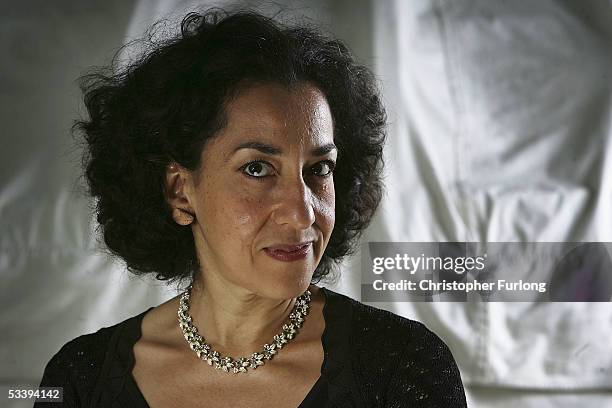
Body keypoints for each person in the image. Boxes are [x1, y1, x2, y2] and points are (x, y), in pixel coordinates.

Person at [36, 9, 467, 407]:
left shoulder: (402, 368)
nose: (302, 214)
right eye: (257, 169)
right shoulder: (78, 380)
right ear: (179, 191)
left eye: (319, 168)